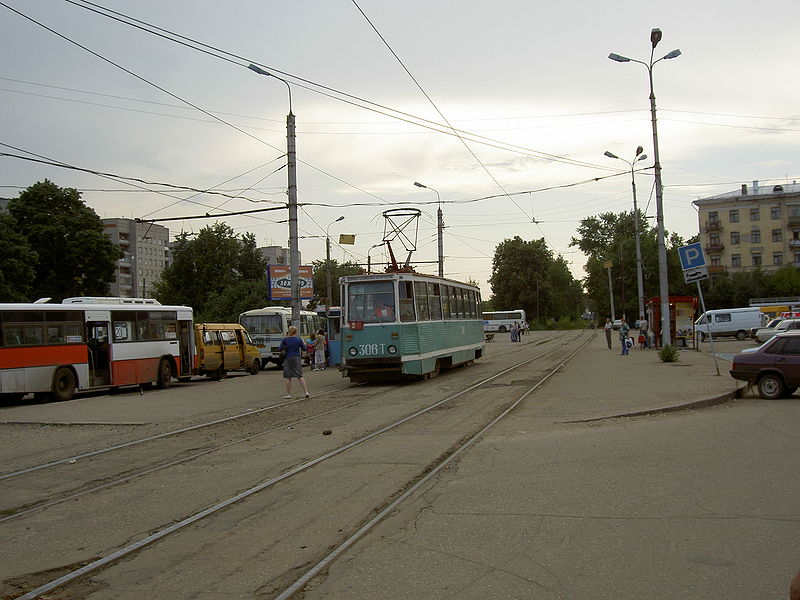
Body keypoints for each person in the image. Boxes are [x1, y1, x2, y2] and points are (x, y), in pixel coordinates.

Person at [278, 325, 310, 399]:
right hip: (296, 358)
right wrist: (304, 343)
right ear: (296, 332)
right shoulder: (299, 339)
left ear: (289, 331)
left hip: (288, 358)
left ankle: (288, 394)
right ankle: (306, 392)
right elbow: (304, 349)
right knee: (300, 376)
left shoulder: (285, 340)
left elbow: (280, 349)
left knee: (288, 377)